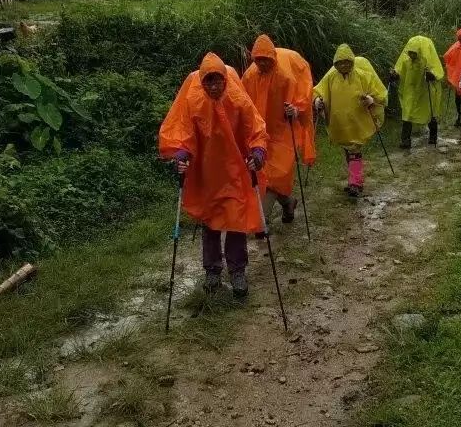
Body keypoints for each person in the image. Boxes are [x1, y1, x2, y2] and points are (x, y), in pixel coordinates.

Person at [159, 53, 269, 298]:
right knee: (210, 221)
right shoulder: (193, 99)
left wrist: (258, 151)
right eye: (208, 81)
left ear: (224, 79)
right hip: (207, 173)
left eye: (217, 80)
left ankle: (237, 271)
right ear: (202, 81)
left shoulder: (236, 98)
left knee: (236, 220)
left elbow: (255, 127)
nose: (213, 86)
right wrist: (182, 154)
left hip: (235, 171)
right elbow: (183, 131)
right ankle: (212, 270)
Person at [242, 35, 315, 224]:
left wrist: (295, 109)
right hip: (260, 134)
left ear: (273, 58)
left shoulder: (285, 76)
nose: (262, 63)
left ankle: (262, 218)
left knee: (276, 174)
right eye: (258, 60)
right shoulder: (250, 76)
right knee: (263, 172)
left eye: (266, 59)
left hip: (284, 132)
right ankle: (288, 202)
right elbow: (243, 104)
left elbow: (303, 94)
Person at [313, 44, 388, 197]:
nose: (344, 65)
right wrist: (317, 101)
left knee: (354, 149)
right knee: (349, 150)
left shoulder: (362, 75)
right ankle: (354, 179)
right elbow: (317, 91)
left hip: (358, 122)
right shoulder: (331, 77)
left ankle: (355, 183)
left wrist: (370, 99)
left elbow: (379, 93)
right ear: (335, 63)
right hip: (339, 124)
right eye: (340, 63)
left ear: (352, 62)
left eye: (347, 62)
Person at [389, 36, 445, 148]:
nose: (411, 55)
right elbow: (399, 71)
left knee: (430, 112)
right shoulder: (406, 61)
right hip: (410, 91)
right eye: (409, 52)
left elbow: (438, 73)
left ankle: (433, 135)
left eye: (414, 53)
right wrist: (394, 75)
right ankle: (405, 140)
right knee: (407, 113)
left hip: (425, 92)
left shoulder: (426, 62)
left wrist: (432, 75)